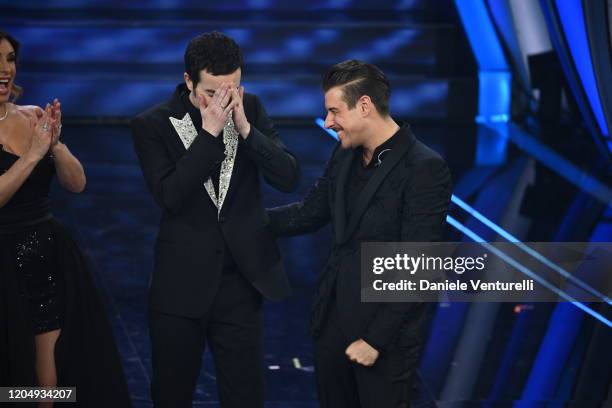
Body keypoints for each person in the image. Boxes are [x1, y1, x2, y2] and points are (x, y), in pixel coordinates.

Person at [268, 60, 452, 408]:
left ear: (364, 105)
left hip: (384, 338)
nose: (328, 122)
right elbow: (309, 213)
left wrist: (374, 340)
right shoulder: (344, 153)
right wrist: (241, 222)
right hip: (332, 325)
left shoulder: (424, 168)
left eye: (335, 111)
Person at [131, 31, 300, 407]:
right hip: (181, 286)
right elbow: (170, 196)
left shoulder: (251, 108)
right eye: (212, 92)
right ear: (189, 81)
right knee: (172, 395)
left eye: (233, 89)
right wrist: (208, 135)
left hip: (242, 281)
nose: (224, 100)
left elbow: (289, 178)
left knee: (245, 397)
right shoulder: (152, 124)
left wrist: (246, 131)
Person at [0, 31, 131, 407]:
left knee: (50, 378)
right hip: (2, 260)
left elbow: (77, 184)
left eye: (10, 59)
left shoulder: (32, 117)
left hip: (44, 256)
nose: (5, 68)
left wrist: (54, 145)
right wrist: (30, 157)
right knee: (11, 374)